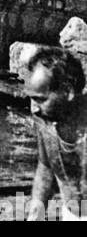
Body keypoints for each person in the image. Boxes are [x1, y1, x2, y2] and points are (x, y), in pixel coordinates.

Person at [24, 48, 87, 221]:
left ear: (67, 91)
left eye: (41, 99)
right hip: (72, 214)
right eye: (32, 99)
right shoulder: (45, 121)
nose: (34, 109)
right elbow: (46, 168)